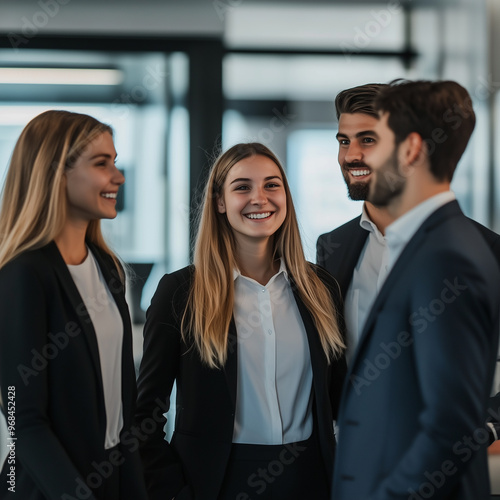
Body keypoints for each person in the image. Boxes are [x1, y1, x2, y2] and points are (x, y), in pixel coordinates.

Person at [135, 142, 347, 500]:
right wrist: (173, 490)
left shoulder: (320, 288)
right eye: (242, 187)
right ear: (220, 202)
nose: (259, 198)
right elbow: (145, 415)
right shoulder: (181, 291)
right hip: (214, 484)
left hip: (311, 480)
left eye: (271, 185)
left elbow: (341, 397)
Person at [330, 80, 500, 500]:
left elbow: (450, 425)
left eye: (376, 141)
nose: (357, 157)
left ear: (409, 151)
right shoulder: (432, 242)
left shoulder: (448, 256)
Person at [0, 110, 148, 500]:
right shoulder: (24, 273)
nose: (118, 176)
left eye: (115, 162)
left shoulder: (108, 268)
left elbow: (122, 415)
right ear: (55, 173)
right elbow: (21, 419)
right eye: (101, 163)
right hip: (47, 487)